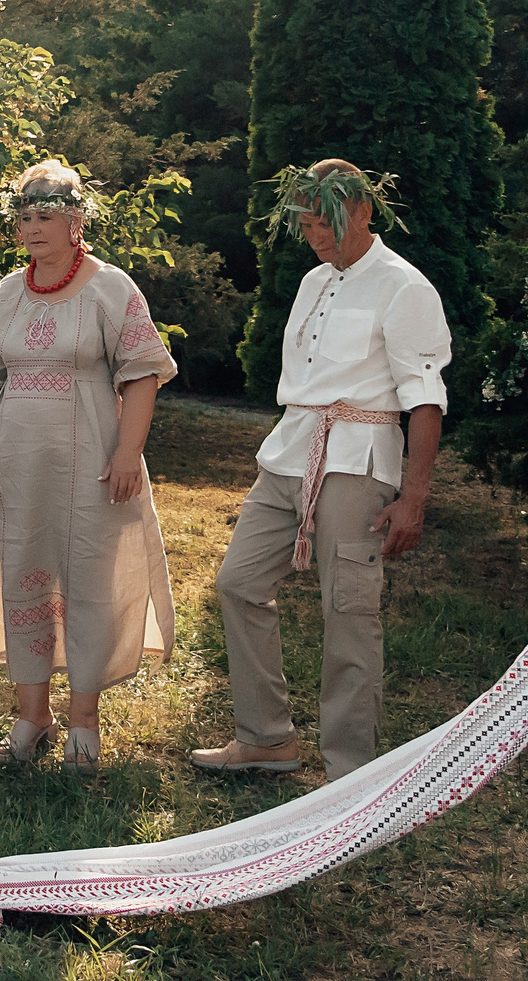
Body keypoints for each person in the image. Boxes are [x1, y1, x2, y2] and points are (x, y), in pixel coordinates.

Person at [192, 159, 450, 780]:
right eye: (306, 225)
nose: (315, 236)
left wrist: (413, 497)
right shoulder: (313, 282)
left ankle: (349, 771)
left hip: (357, 460)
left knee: (349, 608)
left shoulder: (404, 286)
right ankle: (267, 739)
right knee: (238, 582)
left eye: (325, 223)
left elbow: (425, 399)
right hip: (291, 450)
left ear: (363, 211)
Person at [0, 160, 177, 774]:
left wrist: (128, 452)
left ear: (77, 220)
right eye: (24, 217)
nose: (32, 228)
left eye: (45, 217)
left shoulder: (112, 288)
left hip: (92, 458)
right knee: (22, 566)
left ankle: (84, 720)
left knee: (88, 575)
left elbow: (142, 374)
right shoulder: (6, 294)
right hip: (18, 459)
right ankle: (33, 715)